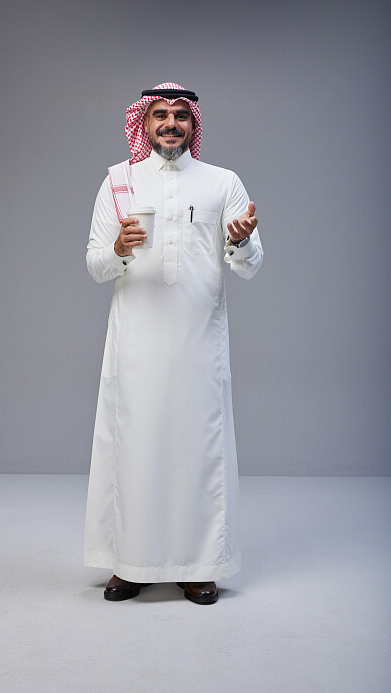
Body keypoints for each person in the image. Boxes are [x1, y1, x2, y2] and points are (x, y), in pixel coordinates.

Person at [84, 82, 263, 605]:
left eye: (180, 116)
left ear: (193, 124)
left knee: (198, 453)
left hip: (199, 346)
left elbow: (250, 266)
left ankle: (199, 565)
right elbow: (95, 265)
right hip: (136, 347)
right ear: (143, 123)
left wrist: (240, 240)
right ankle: (130, 563)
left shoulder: (222, 182)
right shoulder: (119, 181)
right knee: (135, 451)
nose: (170, 123)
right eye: (159, 114)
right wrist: (118, 247)